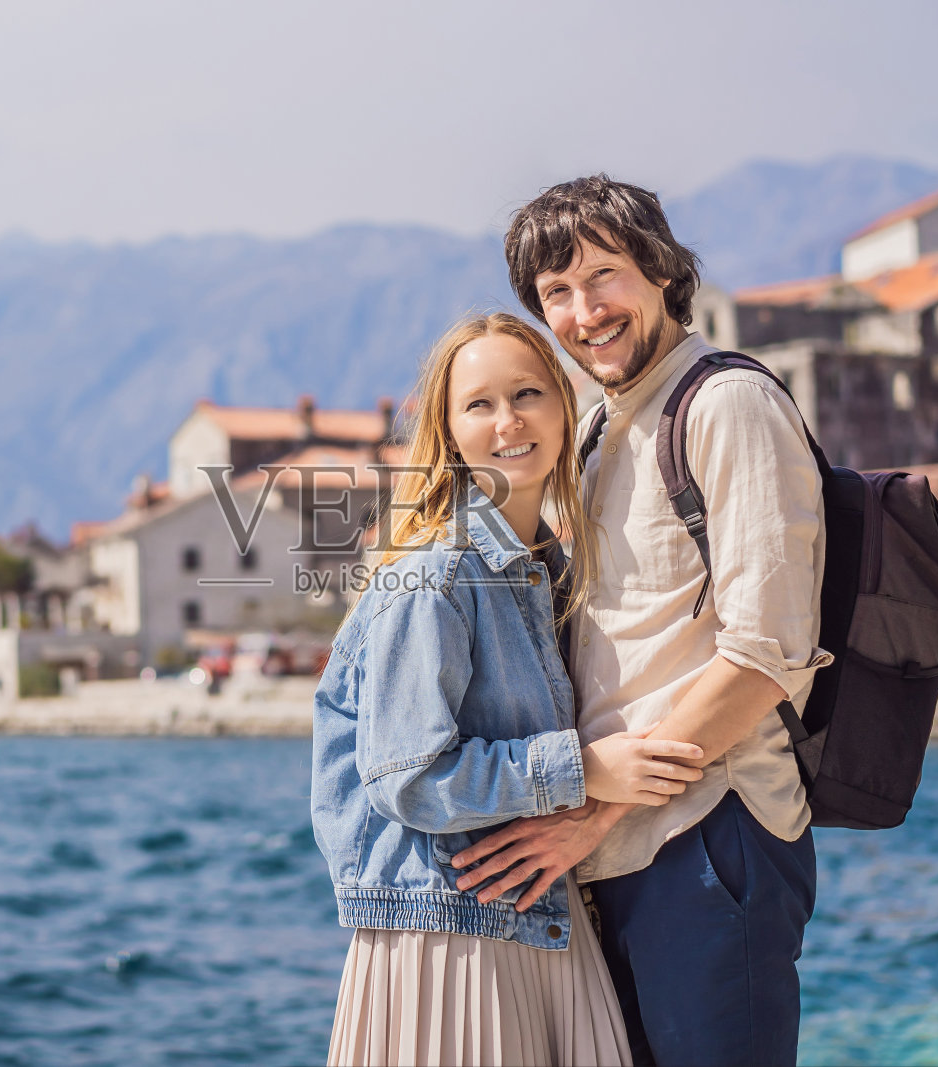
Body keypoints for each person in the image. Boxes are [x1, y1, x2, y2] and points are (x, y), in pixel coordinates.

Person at [452, 176, 831, 1066]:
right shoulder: (592, 427)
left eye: (604, 275)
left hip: (711, 838)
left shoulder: (727, 403)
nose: (585, 311)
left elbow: (767, 656)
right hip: (612, 851)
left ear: (660, 269)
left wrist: (589, 809)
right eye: (557, 294)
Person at [311, 312, 703, 1066]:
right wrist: (585, 768)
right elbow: (406, 775)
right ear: (449, 430)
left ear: (564, 405)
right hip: (451, 941)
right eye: (479, 404)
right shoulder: (435, 575)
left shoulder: (549, 572)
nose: (508, 420)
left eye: (527, 393)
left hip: (541, 919)